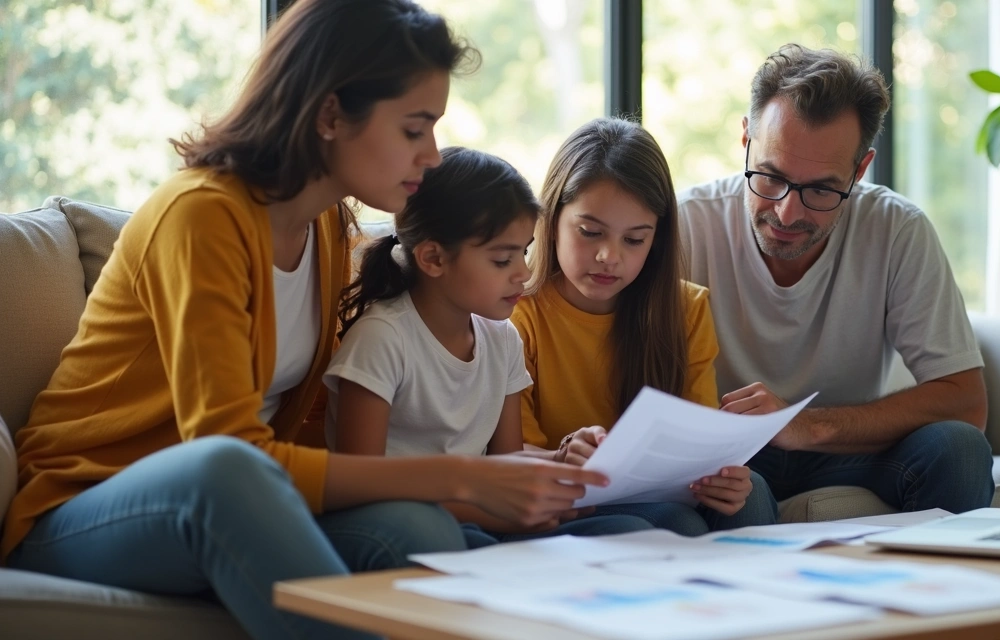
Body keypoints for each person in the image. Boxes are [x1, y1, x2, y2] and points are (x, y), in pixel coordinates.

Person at [1, 2, 607, 639]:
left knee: (417, 525)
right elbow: (230, 452)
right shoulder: (202, 217)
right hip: (84, 509)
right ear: (330, 115)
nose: (432, 155)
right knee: (225, 471)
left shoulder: (325, 226)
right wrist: (465, 475)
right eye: (413, 129)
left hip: (247, 502)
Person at [678, 44, 994, 515]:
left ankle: (935, 591)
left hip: (846, 450)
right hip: (732, 456)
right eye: (769, 177)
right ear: (745, 141)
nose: (787, 211)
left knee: (961, 450)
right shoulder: (685, 226)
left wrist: (807, 425)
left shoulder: (897, 229)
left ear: (859, 170)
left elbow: (967, 403)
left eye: (821, 189)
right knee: (738, 499)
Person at [325, 146, 652, 547]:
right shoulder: (383, 339)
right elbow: (361, 487)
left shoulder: (500, 338)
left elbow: (504, 463)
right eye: (502, 260)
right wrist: (502, 510)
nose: (525, 273)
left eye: (525, 252)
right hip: (404, 522)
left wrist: (564, 462)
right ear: (433, 258)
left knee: (631, 532)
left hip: (481, 519)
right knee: (457, 541)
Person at [511, 117, 779, 535]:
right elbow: (509, 452)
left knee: (752, 491)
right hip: (563, 495)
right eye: (590, 232)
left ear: (656, 238)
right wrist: (564, 456)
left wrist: (721, 475)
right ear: (551, 219)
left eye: (634, 240)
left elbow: (696, 448)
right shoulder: (518, 314)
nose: (608, 256)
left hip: (659, 491)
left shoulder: (685, 309)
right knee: (677, 523)